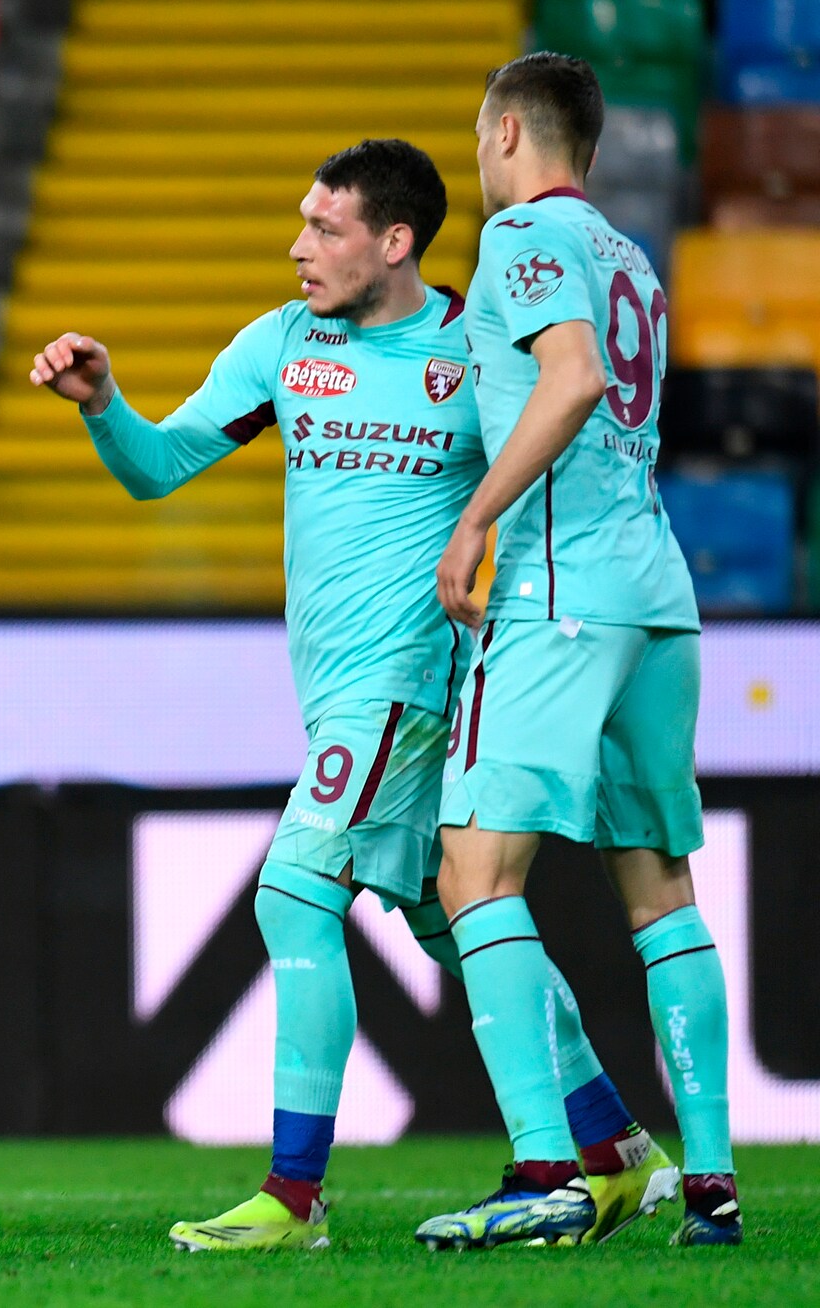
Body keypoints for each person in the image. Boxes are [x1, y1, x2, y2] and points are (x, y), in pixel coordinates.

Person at [31, 138, 672, 1252]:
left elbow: (560, 469)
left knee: (292, 895)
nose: (298, 248)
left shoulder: (479, 346)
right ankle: (613, 1148)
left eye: (324, 229)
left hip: (411, 681)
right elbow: (156, 467)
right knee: (454, 924)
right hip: (334, 691)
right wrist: (103, 405)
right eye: (301, 223)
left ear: (394, 241)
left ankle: (295, 1196)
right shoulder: (283, 344)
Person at [418, 53, 737, 1250]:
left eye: (478, 137)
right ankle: (710, 1186)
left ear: (506, 132)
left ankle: (545, 1171)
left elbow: (569, 378)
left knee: (470, 874)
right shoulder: (629, 256)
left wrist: (472, 519)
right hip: (656, 594)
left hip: (559, 594)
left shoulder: (520, 237)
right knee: (660, 890)